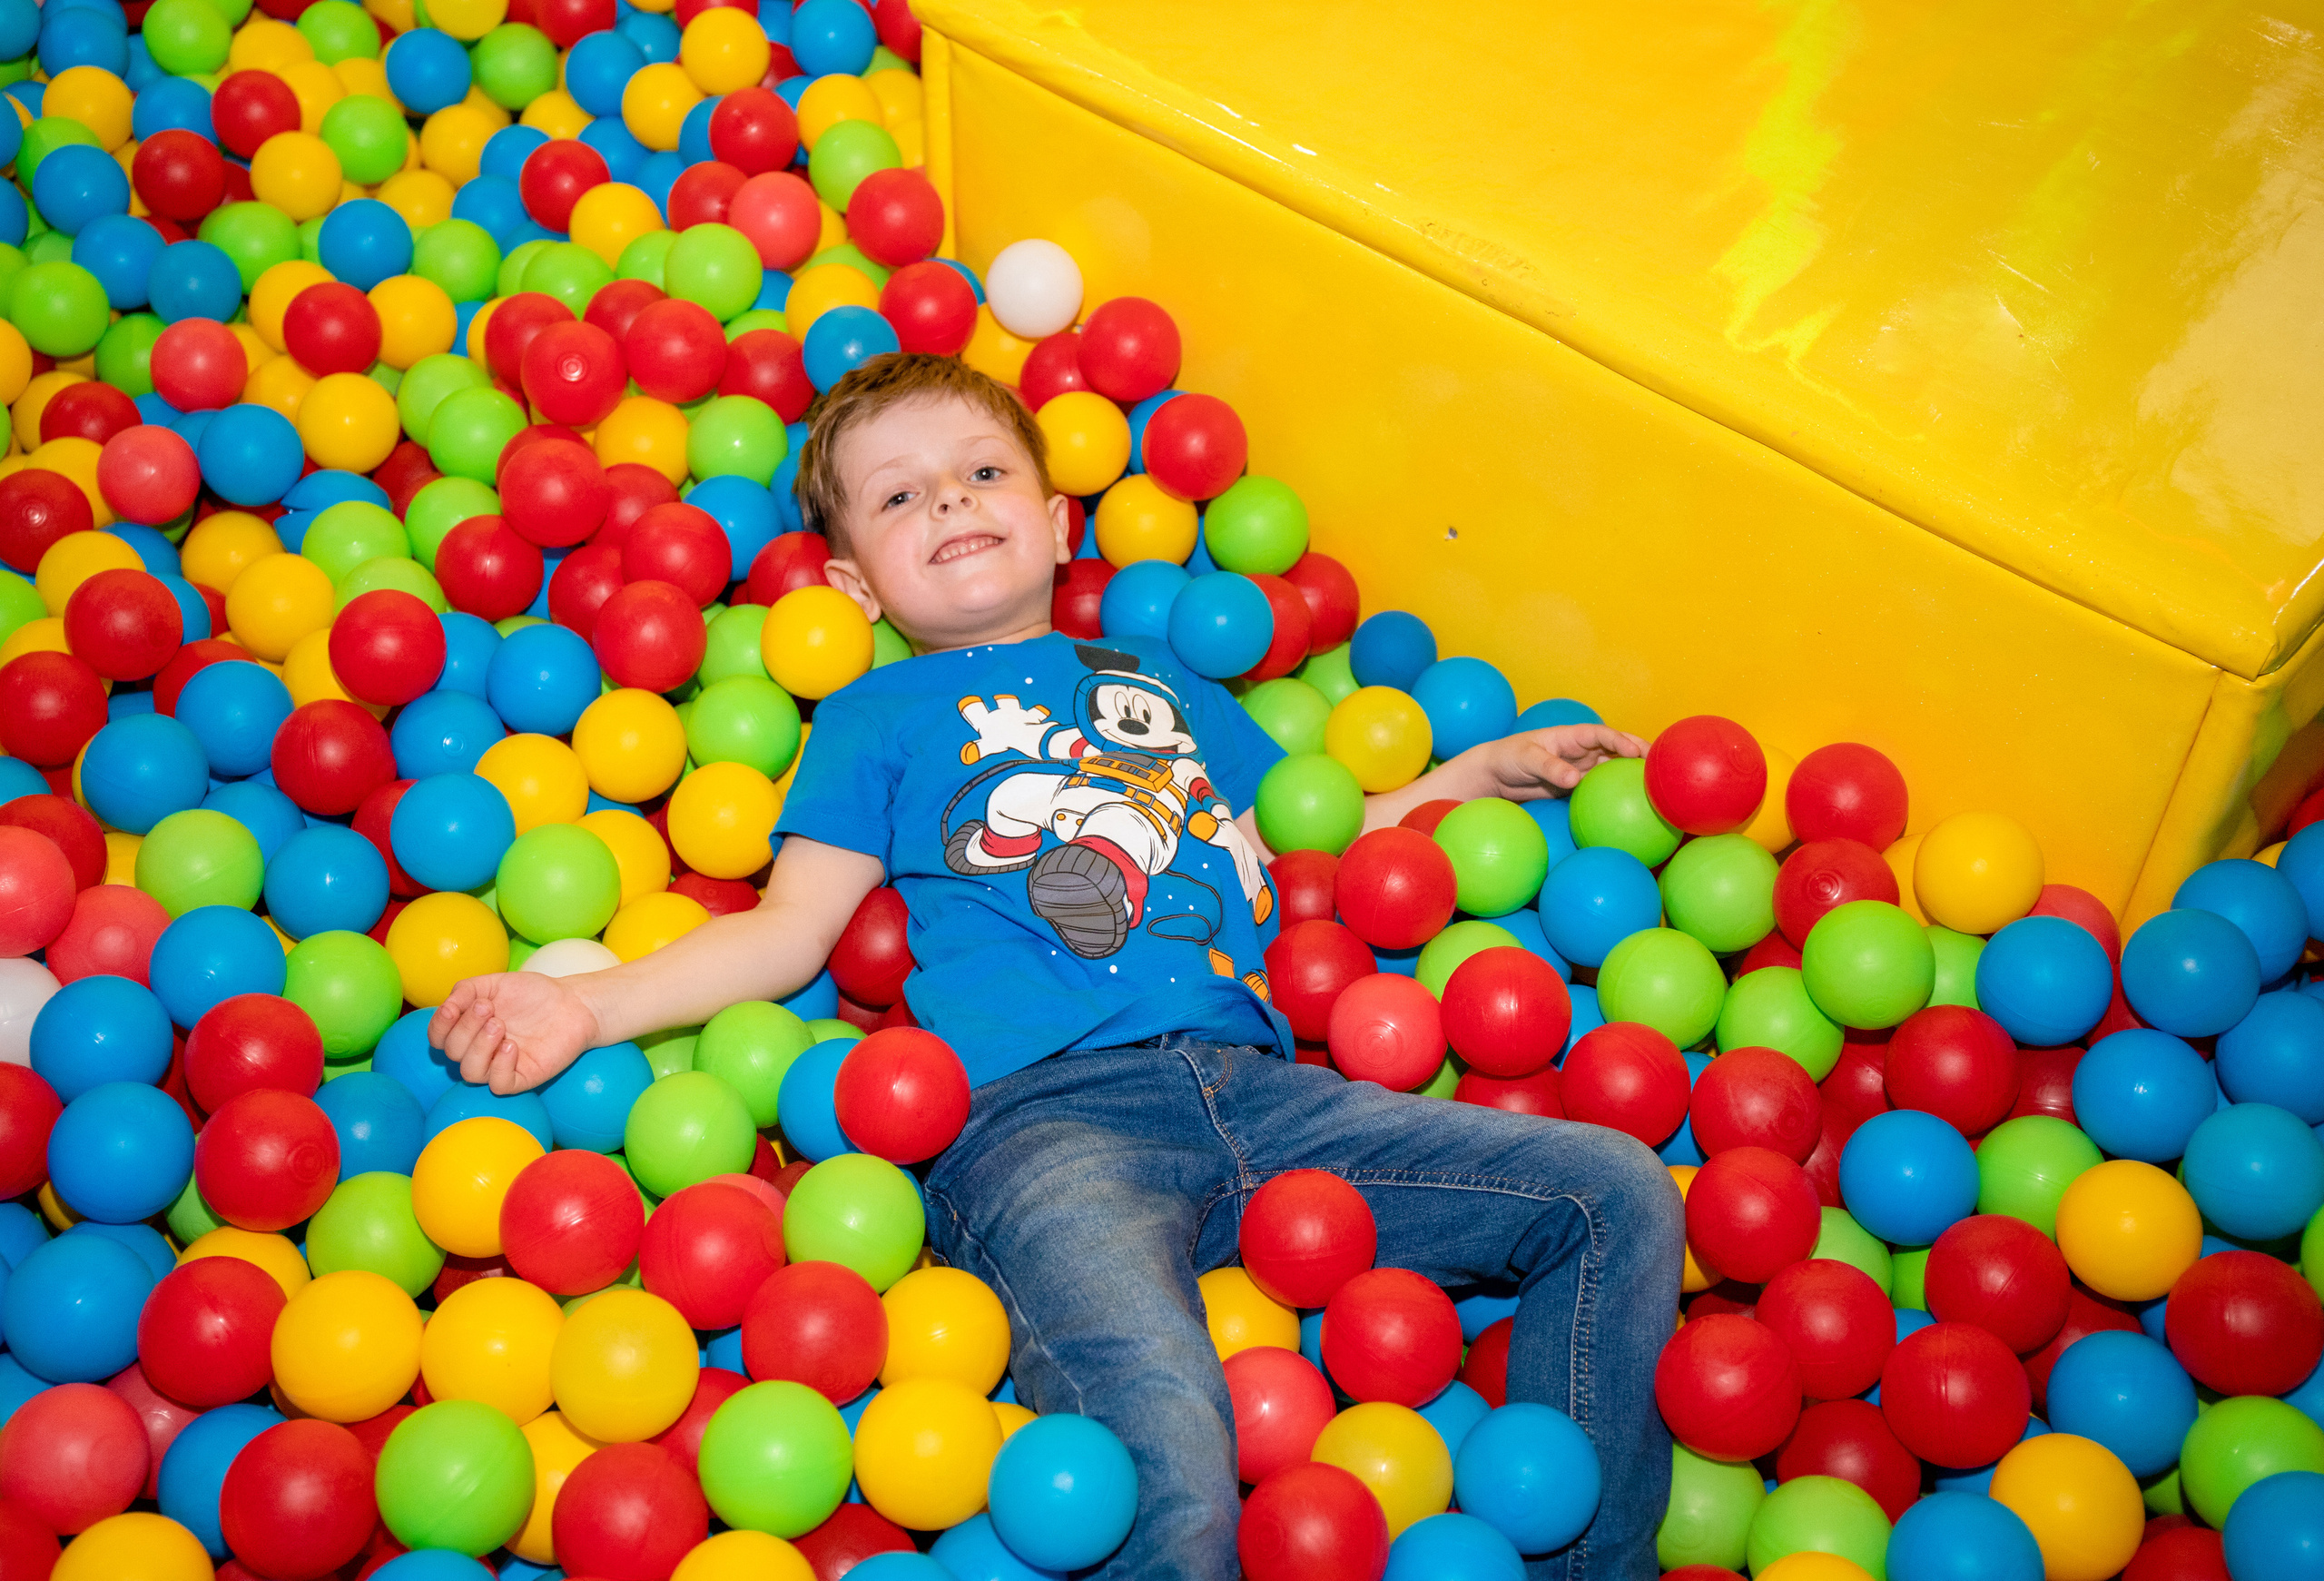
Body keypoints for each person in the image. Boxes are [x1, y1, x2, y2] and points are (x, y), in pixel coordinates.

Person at [433, 352, 1684, 1580]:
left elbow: (1314, 836)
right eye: (901, 497)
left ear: (1055, 515)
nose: (951, 503)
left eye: (980, 472)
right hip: (1039, 1124)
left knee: (1613, 1188)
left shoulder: (1159, 680)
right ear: (852, 582)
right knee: (1168, 1463)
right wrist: (580, 1003)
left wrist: (1479, 776)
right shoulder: (873, 716)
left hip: (1269, 1093)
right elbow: (787, 930)